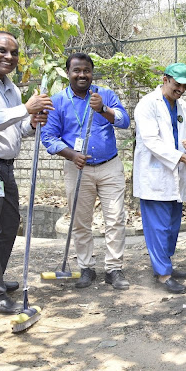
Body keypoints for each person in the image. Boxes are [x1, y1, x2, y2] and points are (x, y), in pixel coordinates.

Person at [0, 31, 51, 315]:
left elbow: (17, 130)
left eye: (14, 53)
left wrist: (32, 122)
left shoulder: (10, 87)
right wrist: (24, 108)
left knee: (9, 223)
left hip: (4, 166)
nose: (9, 57)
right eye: (2, 50)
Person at [41, 53, 131, 290]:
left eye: (86, 71)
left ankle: (114, 269)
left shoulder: (105, 94)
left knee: (115, 219)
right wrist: (71, 154)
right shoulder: (58, 101)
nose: (82, 75)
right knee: (81, 222)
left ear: (92, 72)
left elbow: (124, 121)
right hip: (76, 167)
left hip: (109, 166)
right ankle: (87, 268)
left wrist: (103, 109)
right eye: (76, 70)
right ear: (68, 72)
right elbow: (48, 137)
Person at [133, 64, 186, 294]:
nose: (181, 89)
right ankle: (163, 274)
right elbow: (151, 141)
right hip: (155, 176)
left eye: (184, 85)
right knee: (159, 228)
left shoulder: (182, 106)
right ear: (165, 79)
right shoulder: (147, 104)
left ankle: (165, 264)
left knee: (172, 226)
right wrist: (181, 157)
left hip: (176, 174)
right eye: (177, 84)